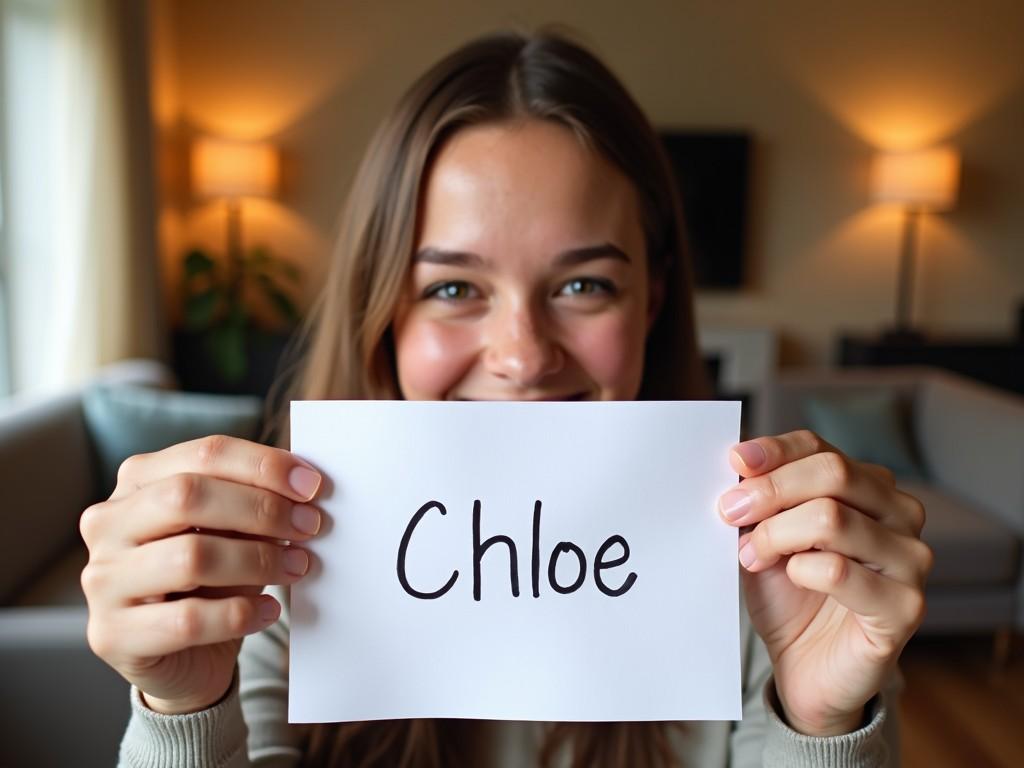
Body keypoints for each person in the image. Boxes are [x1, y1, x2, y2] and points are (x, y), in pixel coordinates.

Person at [81, 28, 932, 768]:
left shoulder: (772, 591)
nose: (523, 358)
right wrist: (185, 713)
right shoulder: (281, 573)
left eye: (585, 284)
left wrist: (820, 726)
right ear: (383, 312)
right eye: (454, 289)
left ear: (655, 300)